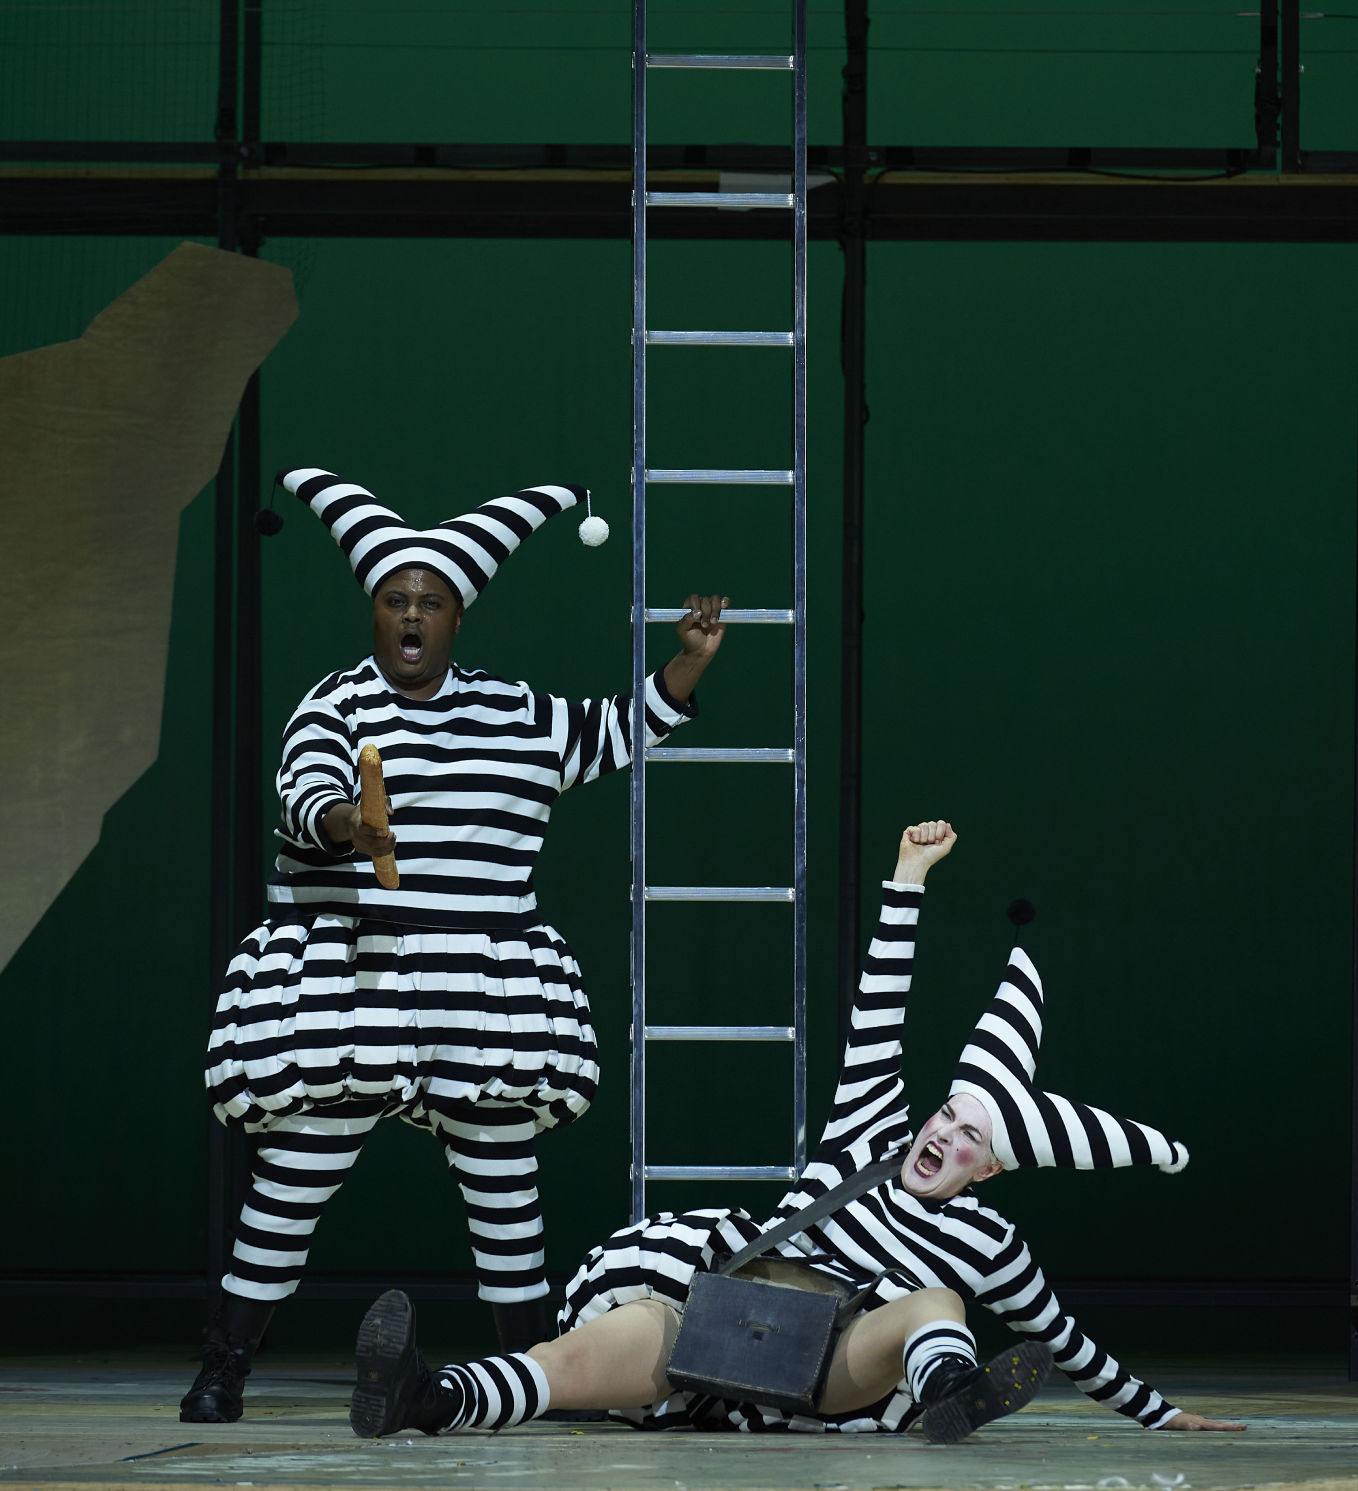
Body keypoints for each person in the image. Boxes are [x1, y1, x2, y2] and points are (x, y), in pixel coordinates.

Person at [347, 819, 1246, 1444]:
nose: (942, 1136)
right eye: (947, 1115)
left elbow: (1068, 1340)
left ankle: (949, 1395)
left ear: (991, 1170)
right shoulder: (868, 1135)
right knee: (574, 1356)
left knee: (938, 1307)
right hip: (721, 1309)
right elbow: (878, 1011)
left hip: (828, 1354)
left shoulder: (988, 1240)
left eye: (968, 1139)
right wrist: (908, 882)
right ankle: (422, 1396)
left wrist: (1161, 1414)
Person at [181, 470, 729, 1424]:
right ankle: (224, 1362)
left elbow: (616, 730)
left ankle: (531, 1372)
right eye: (395, 600)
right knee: (296, 1179)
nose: (411, 615)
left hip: (479, 985)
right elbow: (306, 799)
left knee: (504, 1191)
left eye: (430, 603)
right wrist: (356, 827)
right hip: (354, 979)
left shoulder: (515, 711)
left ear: (457, 621)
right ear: (374, 611)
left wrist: (686, 665)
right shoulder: (332, 706)